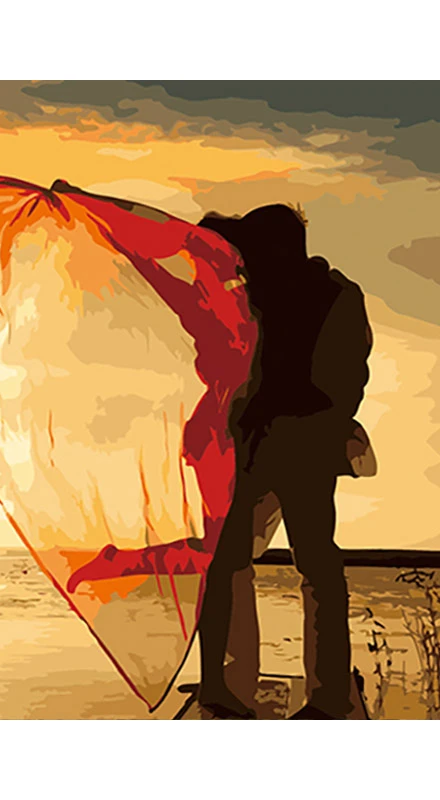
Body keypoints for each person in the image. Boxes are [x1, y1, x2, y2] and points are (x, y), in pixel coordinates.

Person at [195, 204, 373, 720]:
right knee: (236, 565)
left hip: (301, 447)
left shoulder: (328, 295)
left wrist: (303, 421)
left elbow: (345, 380)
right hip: (260, 446)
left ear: (281, 247)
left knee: (310, 566)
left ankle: (323, 695)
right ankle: (227, 686)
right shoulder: (272, 292)